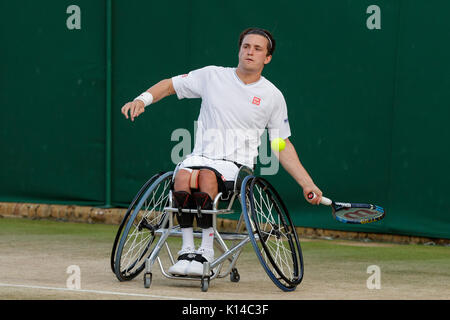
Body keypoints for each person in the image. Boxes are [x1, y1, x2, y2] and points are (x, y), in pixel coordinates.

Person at [121, 27, 323, 277]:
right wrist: (142, 100)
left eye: (257, 49)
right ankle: (187, 250)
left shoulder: (273, 96)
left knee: (205, 176)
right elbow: (170, 85)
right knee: (183, 175)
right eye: (246, 46)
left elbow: (280, 144)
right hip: (199, 156)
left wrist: (307, 183)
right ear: (239, 50)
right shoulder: (212, 76)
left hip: (237, 166)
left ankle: (206, 251)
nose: (250, 52)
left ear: (267, 58)